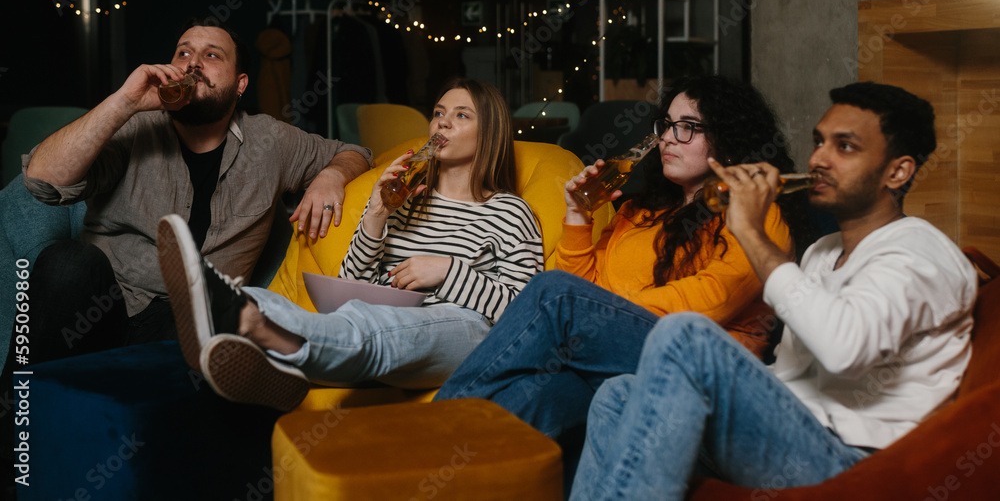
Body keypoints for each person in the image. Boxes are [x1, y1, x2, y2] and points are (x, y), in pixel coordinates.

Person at [568, 82, 977, 500]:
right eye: (819, 142)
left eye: (846, 147)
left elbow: (843, 349)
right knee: (619, 394)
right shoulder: (823, 250)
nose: (818, 159)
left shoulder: (919, 252)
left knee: (686, 335)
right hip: (786, 430)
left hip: (854, 461)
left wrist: (748, 229)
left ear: (898, 171)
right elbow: (788, 374)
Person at [436, 76, 814, 456]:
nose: (667, 137)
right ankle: (434, 470)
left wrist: (602, 313)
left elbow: (708, 303)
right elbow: (583, 284)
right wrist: (578, 216)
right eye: (666, 125)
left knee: (553, 292)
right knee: (534, 398)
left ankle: (423, 430)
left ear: (729, 140)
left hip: (705, 364)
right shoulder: (638, 212)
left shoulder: (756, 216)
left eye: (687, 128)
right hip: (616, 353)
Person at [157, 78, 544, 411]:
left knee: (377, 323)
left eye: (462, 115)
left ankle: (266, 335)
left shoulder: (510, 211)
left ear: (489, 131)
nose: (443, 120)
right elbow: (355, 282)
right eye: (439, 112)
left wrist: (446, 271)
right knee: (300, 303)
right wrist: (376, 213)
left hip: (466, 331)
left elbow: (527, 315)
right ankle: (233, 308)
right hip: (385, 323)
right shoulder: (407, 201)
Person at [22, 16, 373, 363]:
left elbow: (356, 153)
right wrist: (124, 103)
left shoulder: (271, 140)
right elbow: (43, 181)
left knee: (210, 318)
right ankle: (17, 409)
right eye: (183, 53)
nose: (193, 63)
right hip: (104, 309)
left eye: (212, 56)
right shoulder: (134, 127)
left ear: (240, 84)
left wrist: (330, 177)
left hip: (188, 322)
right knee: (66, 261)